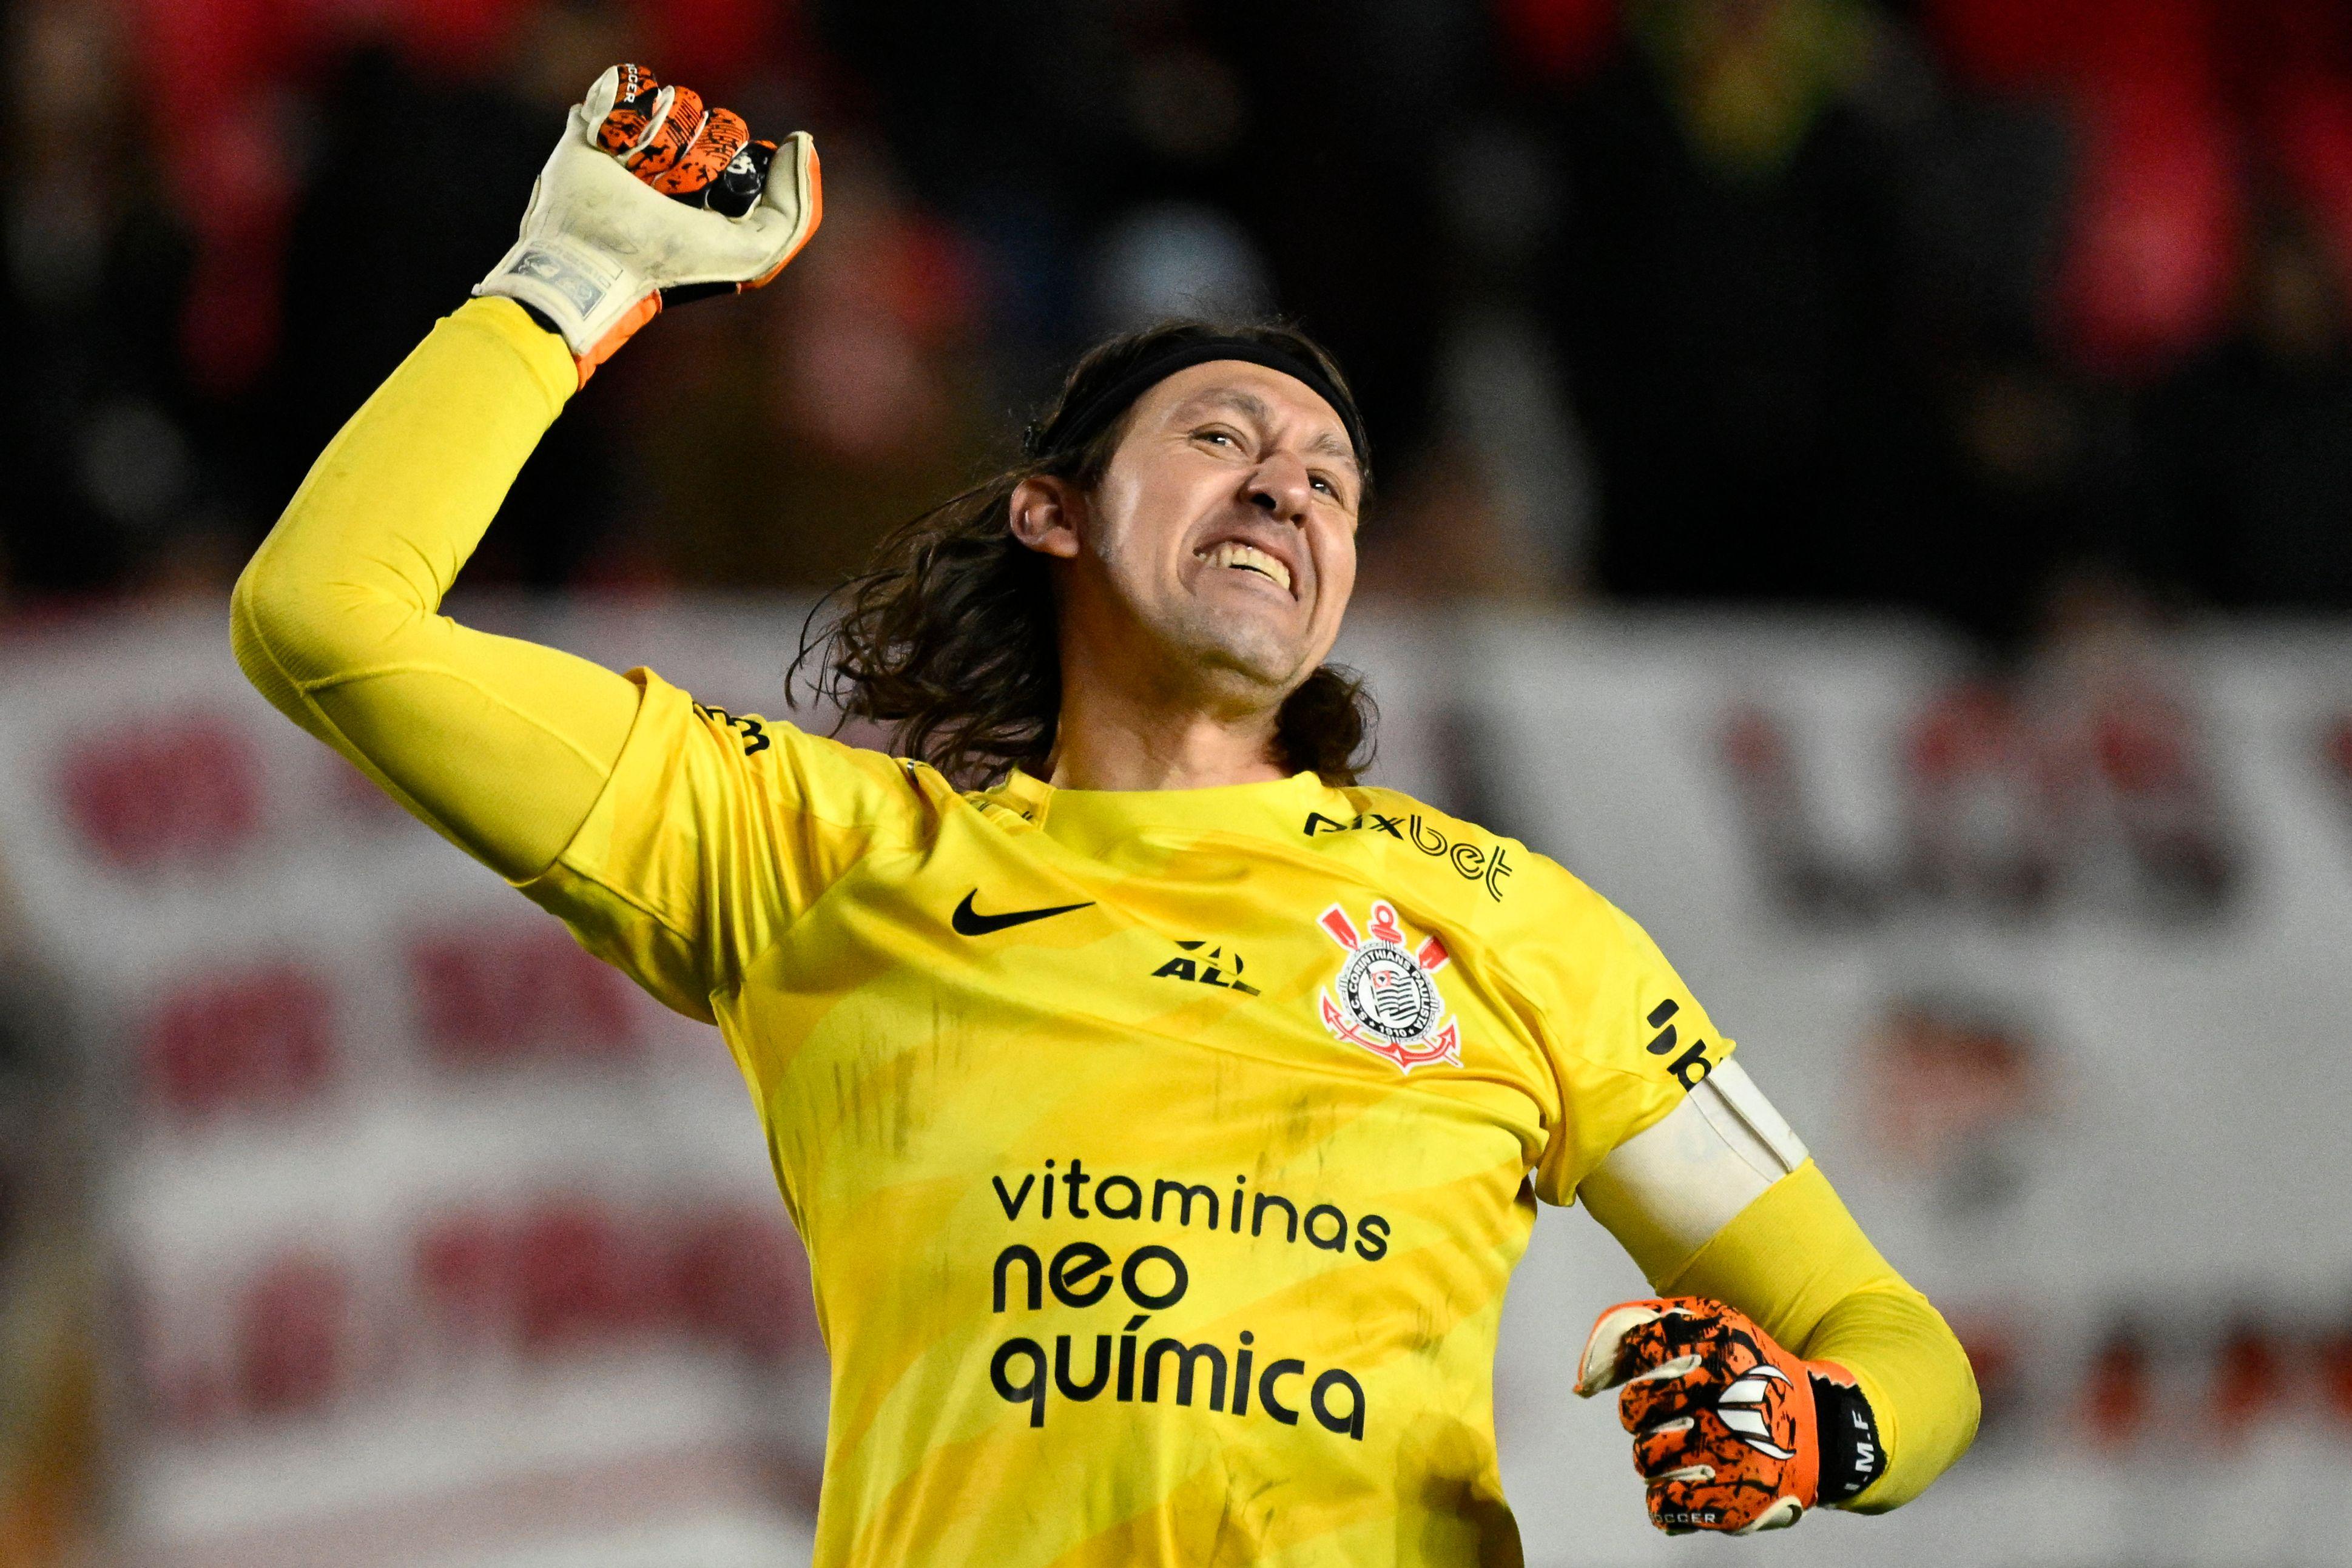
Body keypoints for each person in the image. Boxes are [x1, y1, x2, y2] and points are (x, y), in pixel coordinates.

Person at [231, 66, 1976, 1566]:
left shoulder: (1516, 928)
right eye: (1221, 435)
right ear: (1052, 516)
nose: (1285, 480)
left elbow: (1897, 1345)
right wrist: (575, 277)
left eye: (1329, 478)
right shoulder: (817, 859)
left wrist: (1816, 1430)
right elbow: (329, 617)